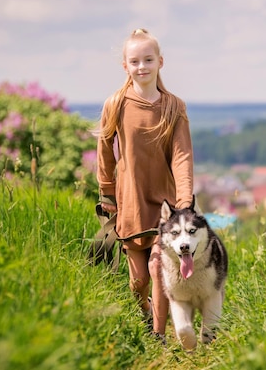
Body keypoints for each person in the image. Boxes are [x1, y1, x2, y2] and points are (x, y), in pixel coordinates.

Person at [96, 28, 194, 341]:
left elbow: (182, 157)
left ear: (160, 62)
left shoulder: (174, 107)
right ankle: (144, 311)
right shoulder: (115, 104)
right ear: (125, 66)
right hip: (130, 202)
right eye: (135, 61)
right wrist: (106, 192)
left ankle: (158, 337)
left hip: (165, 205)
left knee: (158, 270)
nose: (142, 66)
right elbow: (104, 153)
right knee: (137, 281)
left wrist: (185, 200)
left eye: (148, 59)